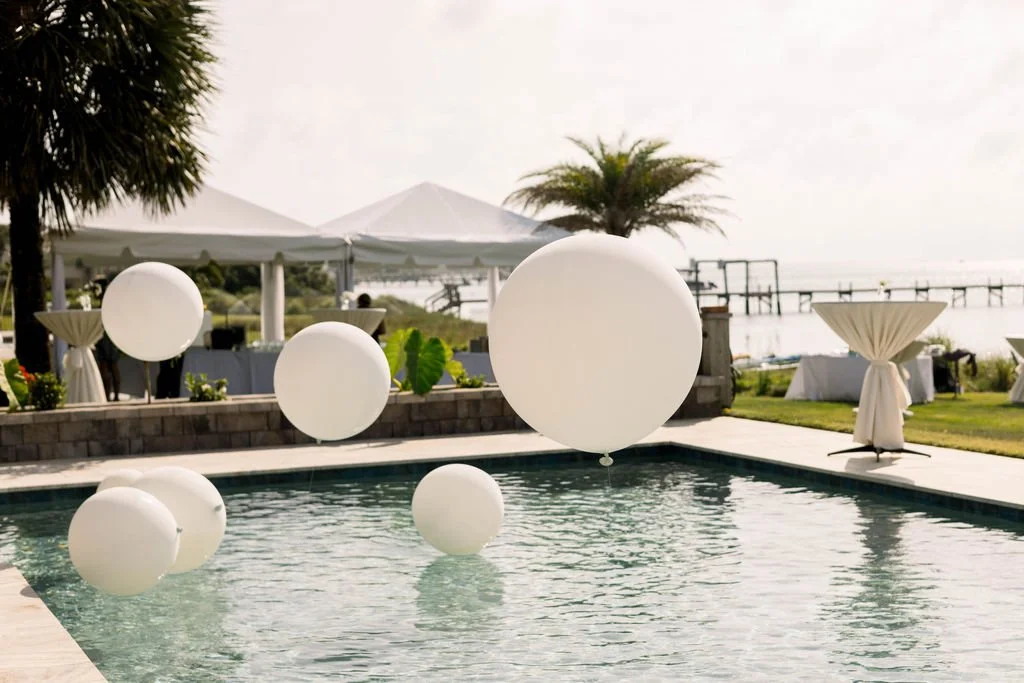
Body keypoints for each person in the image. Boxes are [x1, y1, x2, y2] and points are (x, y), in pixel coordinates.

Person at [93, 278, 122, 401]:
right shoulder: (111, 299)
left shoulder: (106, 299)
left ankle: (110, 396)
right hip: (107, 335)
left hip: (107, 335)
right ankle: (111, 396)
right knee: (108, 366)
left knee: (108, 365)